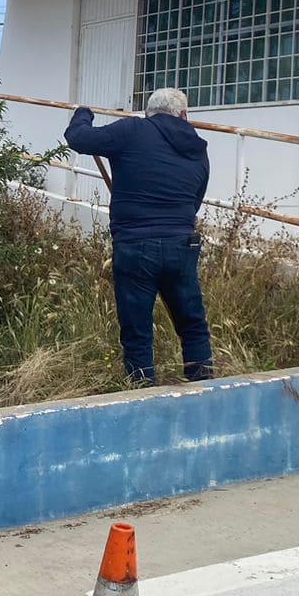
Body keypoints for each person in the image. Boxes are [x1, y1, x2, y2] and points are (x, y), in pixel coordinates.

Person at [65, 88, 213, 386]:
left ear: (149, 112)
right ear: (184, 115)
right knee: (192, 323)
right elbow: (195, 200)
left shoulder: (132, 129)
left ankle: (141, 392)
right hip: (182, 244)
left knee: (137, 329)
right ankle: (204, 388)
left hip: (136, 246)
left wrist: (84, 113)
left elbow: (78, 138)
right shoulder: (197, 147)